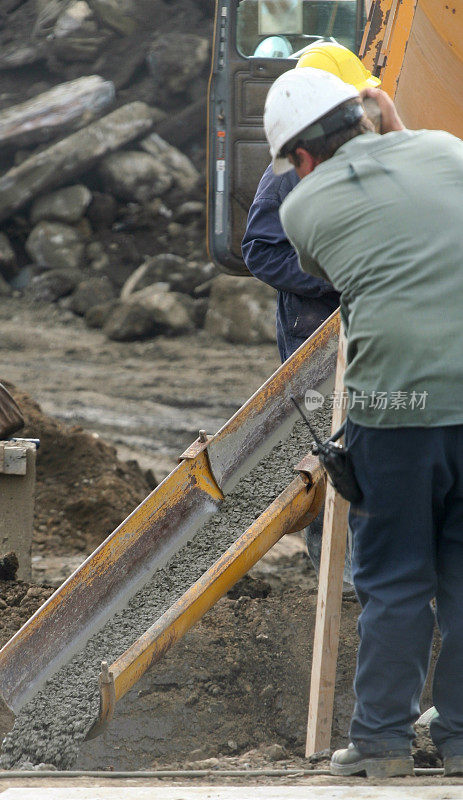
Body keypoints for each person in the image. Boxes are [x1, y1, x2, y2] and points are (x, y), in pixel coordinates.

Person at [264, 65, 463, 778]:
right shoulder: (445, 150)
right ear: (367, 112)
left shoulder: (301, 209)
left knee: (396, 578)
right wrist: (389, 115)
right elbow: (426, 181)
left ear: (301, 157)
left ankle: (380, 745)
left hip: (396, 412)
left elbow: (335, 264)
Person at [242, 42, 379, 578]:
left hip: (362, 320)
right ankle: (333, 569)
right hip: (313, 326)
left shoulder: (362, 157)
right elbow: (260, 247)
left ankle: (358, 564)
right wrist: (334, 279)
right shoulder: (290, 169)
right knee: (328, 440)